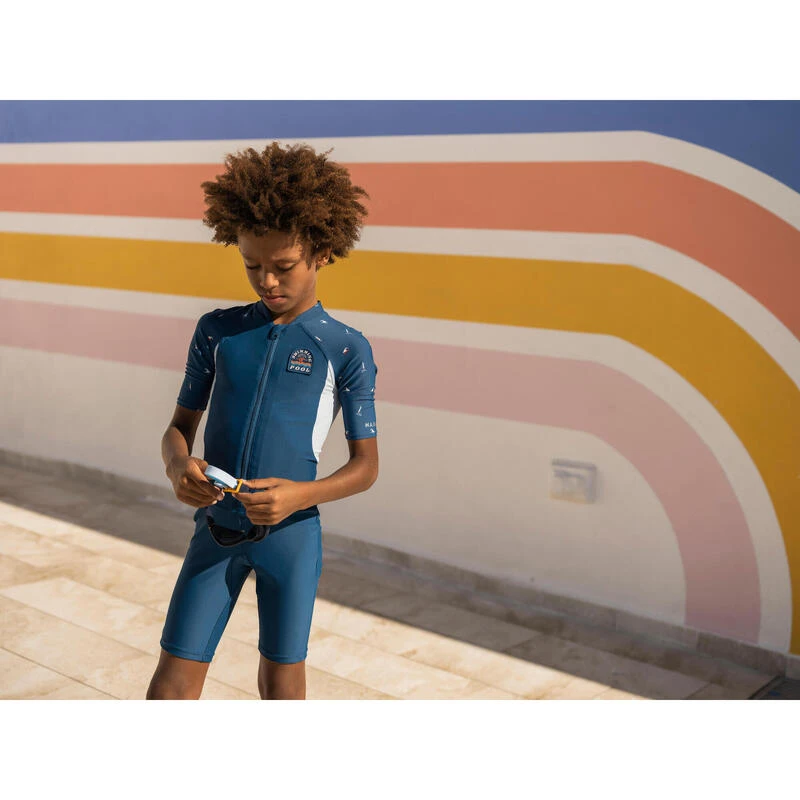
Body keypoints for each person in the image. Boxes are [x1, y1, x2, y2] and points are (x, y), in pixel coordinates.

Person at [146, 142, 379, 700]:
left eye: (283, 267)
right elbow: (179, 427)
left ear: (323, 252)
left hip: (292, 537)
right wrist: (178, 466)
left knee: (281, 688)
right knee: (171, 688)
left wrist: (300, 496)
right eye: (252, 265)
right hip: (215, 529)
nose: (267, 281)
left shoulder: (346, 348)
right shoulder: (218, 330)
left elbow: (366, 467)